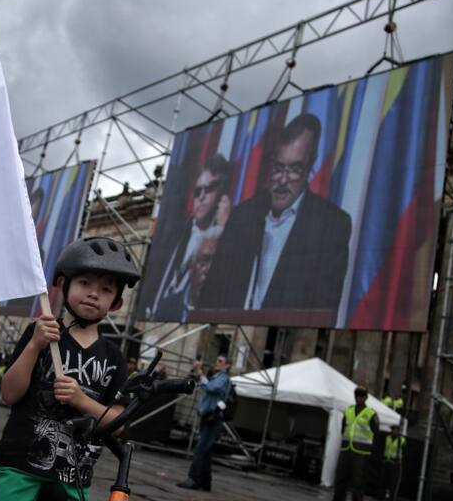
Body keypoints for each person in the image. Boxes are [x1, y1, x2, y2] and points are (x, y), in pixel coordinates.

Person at [0, 236, 140, 501]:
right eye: (84, 283)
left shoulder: (114, 357)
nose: (93, 294)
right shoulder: (40, 333)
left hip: (74, 478)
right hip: (18, 466)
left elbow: (117, 424)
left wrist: (82, 400)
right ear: (62, 284)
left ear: (116, 303)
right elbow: (9, 394)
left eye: (105, 289)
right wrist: (34, 345)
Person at [199, 114, 351, 324]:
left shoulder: (332, 225)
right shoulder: (242, 215)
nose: (283, 180)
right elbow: (210, 295)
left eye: (295, 170)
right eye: (278, 168)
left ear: (311, 164)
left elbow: (322, 313)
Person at [146, 153, 231, 321]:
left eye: (209, 189)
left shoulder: (226, 237)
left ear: (222, 194)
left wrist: (223, 229)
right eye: (198, 191)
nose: (201, 197)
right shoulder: (174, 232)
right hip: (153, 316)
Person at [177, 354, 232, 492]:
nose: (217, 362)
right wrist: (198, 373)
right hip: (207, 417)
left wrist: (200, 373)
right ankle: (206, 482)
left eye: (220, 361)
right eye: (217, 360)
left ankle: (193, 479)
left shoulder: (223, 378)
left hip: (213, 418)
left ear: (227, 366)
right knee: (205, 451)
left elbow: (211, 388)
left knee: (200, 449)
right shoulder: (216, 376)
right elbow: (206, 386)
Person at [333, 386, 380, 501]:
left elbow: (376, 433)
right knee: (340, 478)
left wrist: (370, 449)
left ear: (366, 398)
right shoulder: (348, 410)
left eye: (361, 396)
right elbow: (343, 428)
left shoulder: (371, 413)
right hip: (346, 449)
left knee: (358, 481)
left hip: (361, 452)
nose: (359, 398)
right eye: (357, 396)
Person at [381, 424, 406, 500]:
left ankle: (392, 498)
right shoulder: (387, 438)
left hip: (395, 464)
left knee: (393, 484)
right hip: (386, 462)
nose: (393, 431)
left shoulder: (402, 440)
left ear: (398, 431)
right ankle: (381, 497)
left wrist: (399, 460)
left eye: (395, 430)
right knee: (383, 482)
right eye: (392, 429)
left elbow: (405, 452)